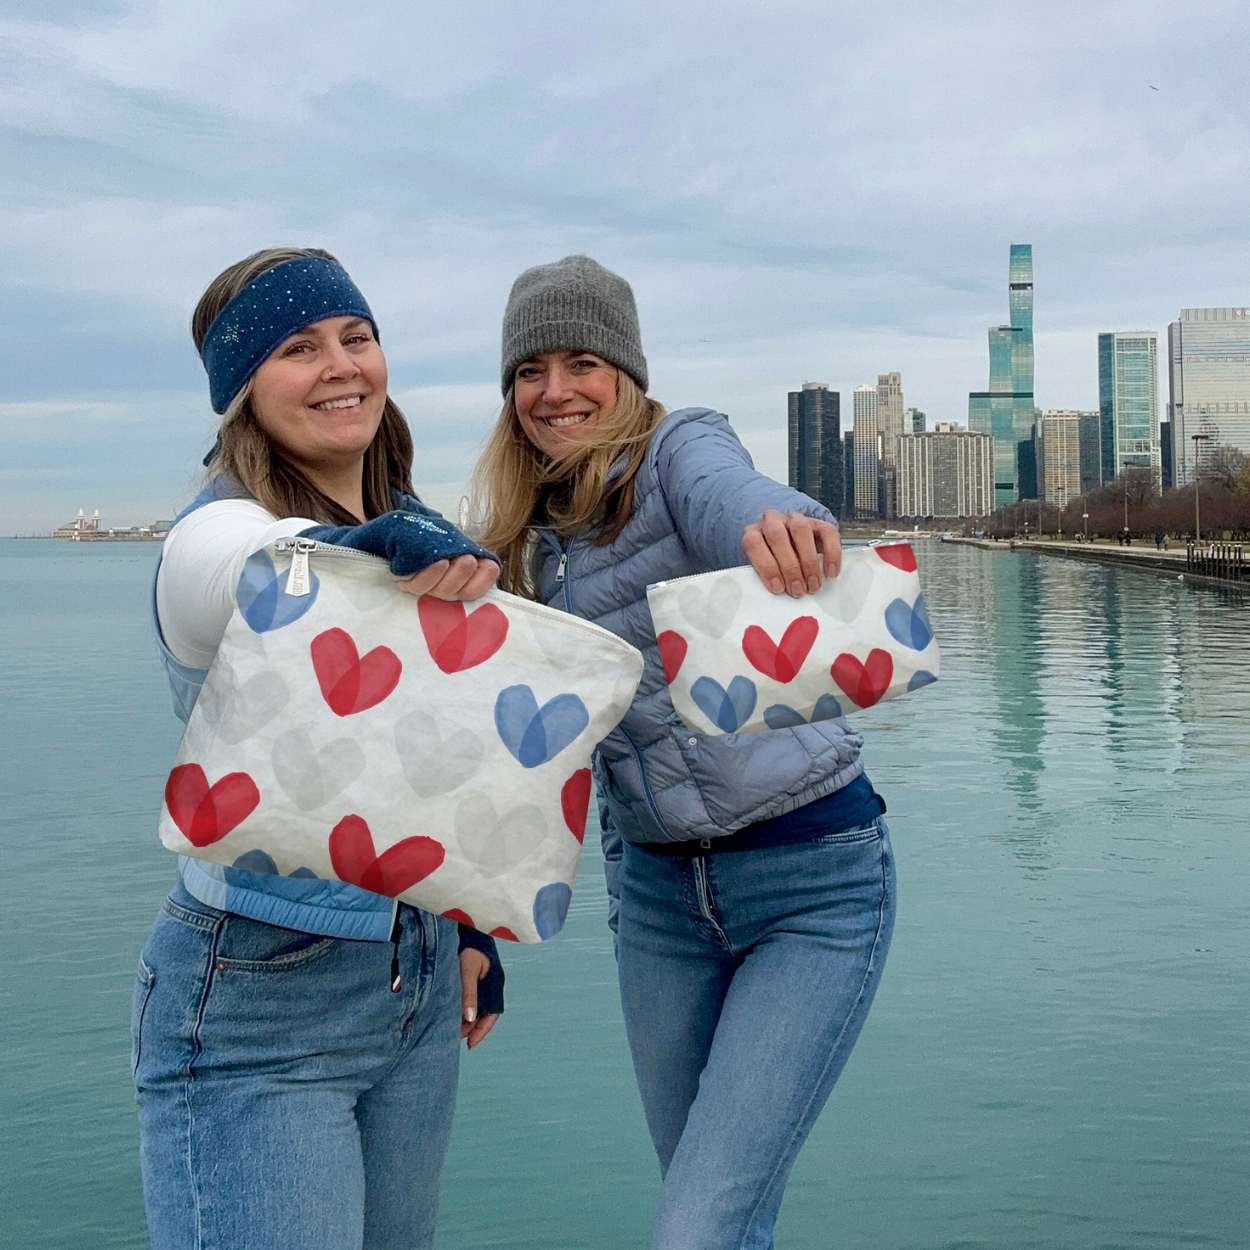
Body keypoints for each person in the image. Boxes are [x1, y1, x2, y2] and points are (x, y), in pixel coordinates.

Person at [473, 256, 896, 1250]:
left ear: (625, 372)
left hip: (812, 887)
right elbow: (517, 761)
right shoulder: (522, 542)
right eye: (529, 369)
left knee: (697, 1225)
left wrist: (776, 526)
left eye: (582, 361)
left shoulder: (675, 450)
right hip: (658, 904)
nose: (554, 390)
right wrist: (469, 926)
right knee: (711, 1211)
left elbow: (729, 491)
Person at [134, 247, 505, 1250]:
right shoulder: (218, 534)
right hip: (261, 1002)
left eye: (357, 337)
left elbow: (430, 760)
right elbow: (239, 568)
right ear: (244, 391)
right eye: (298, 348)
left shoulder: (417, 534)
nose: (341, 364)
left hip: (412, 987)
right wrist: (351, 550)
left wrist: (462, 917)